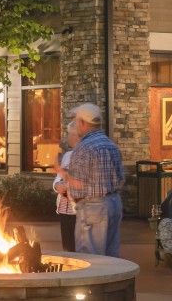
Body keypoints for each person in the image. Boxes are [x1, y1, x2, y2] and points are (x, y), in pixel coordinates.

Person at [54, 103, 124, 258]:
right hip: (114, 204)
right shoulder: (111, 145)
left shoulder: (83, 147)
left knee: (91, 258)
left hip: (92, 208)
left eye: (76, 120)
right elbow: (121, 180)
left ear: (82, 123)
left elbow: (78, 185)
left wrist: (63, 174)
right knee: (111, 257)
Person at [51, 148, 78, 252]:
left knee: (77, 244)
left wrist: (69, 185)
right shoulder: (67, 157)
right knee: (67, 244)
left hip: (76, 210)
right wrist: (57, 185)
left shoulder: (82, 157)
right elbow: (58, 178)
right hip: (63, 209)